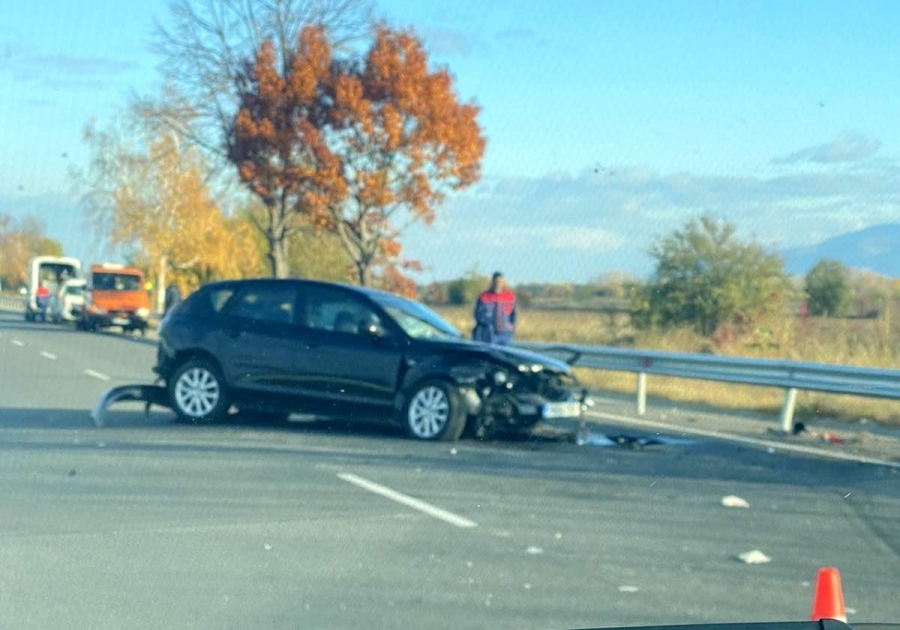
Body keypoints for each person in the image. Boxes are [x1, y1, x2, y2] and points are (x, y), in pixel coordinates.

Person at [472, 271, 517, 345]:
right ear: (492, 282)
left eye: (500, 282)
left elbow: (513, 315)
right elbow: (478, 315)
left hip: (505, 334)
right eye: (496, 282)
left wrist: (511, 327)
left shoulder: (510, 297)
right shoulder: (484, 297)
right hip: (489, 334)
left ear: (503, 282)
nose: (498, 284)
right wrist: (488, 324)